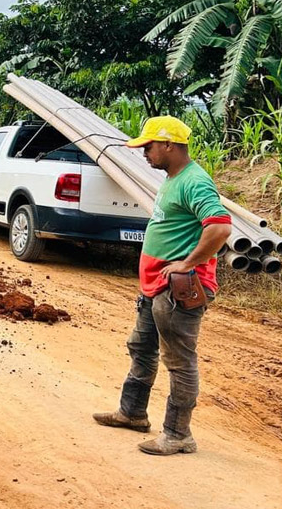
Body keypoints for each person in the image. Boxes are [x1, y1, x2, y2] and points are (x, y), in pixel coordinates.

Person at [93, 116, 231, 455]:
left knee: (179, 361)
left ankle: (178, 434)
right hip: (156, 286)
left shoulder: (194, 182)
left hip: (178, 289)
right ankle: (132, 413)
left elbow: (220, 228)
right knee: (141, 346)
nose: (144, 152)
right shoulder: (173, 179)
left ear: (169, 145)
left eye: (148, 146)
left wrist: (187, 263)